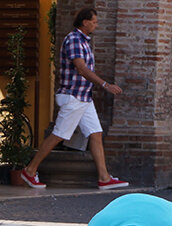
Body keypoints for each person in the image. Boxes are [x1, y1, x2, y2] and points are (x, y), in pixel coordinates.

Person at [19, 7, 128, 191]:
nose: (96, 25)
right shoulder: (74, 40)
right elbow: (82, 69)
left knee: (96, 134)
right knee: (59, 135)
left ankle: (104, 177)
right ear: (85, 22)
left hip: (84, 97)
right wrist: (105, 85)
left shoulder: (84, 41)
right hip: (74, 96)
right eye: (94, 21)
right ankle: (29, 170)